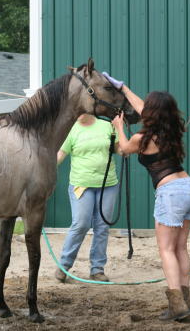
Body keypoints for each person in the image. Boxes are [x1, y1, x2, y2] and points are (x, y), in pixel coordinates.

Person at [103, 72, 190, 321]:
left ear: (153, 114)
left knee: (166, 249)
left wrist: (118, 127)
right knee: (180, 248)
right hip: (188, 188)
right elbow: (143, 108)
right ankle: (186, 301)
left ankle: (177, 306)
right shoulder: (172, 131)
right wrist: (123, 89)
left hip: (170, 193)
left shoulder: (141, 139)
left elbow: (123, 150)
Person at [55, 113, 120, 282]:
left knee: (102, 226)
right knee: (81, 224)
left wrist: (120, 128)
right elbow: (60, 155)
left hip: (108, 184)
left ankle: (97, 269)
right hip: (81, 185)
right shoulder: (71, 130)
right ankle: (64, 266)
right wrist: (42, 168)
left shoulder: (106, 126)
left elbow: (120, 149)